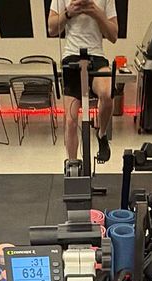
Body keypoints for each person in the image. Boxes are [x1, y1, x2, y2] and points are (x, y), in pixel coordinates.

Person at [48, 0, 118, 164]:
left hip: (97, 56)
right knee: (71, 121)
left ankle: (101, 134)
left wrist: (96, 12)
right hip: (71, 56)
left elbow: (113, 35)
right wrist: (68, 13)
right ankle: (72, 165)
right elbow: (51, 28)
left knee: (108, 95)